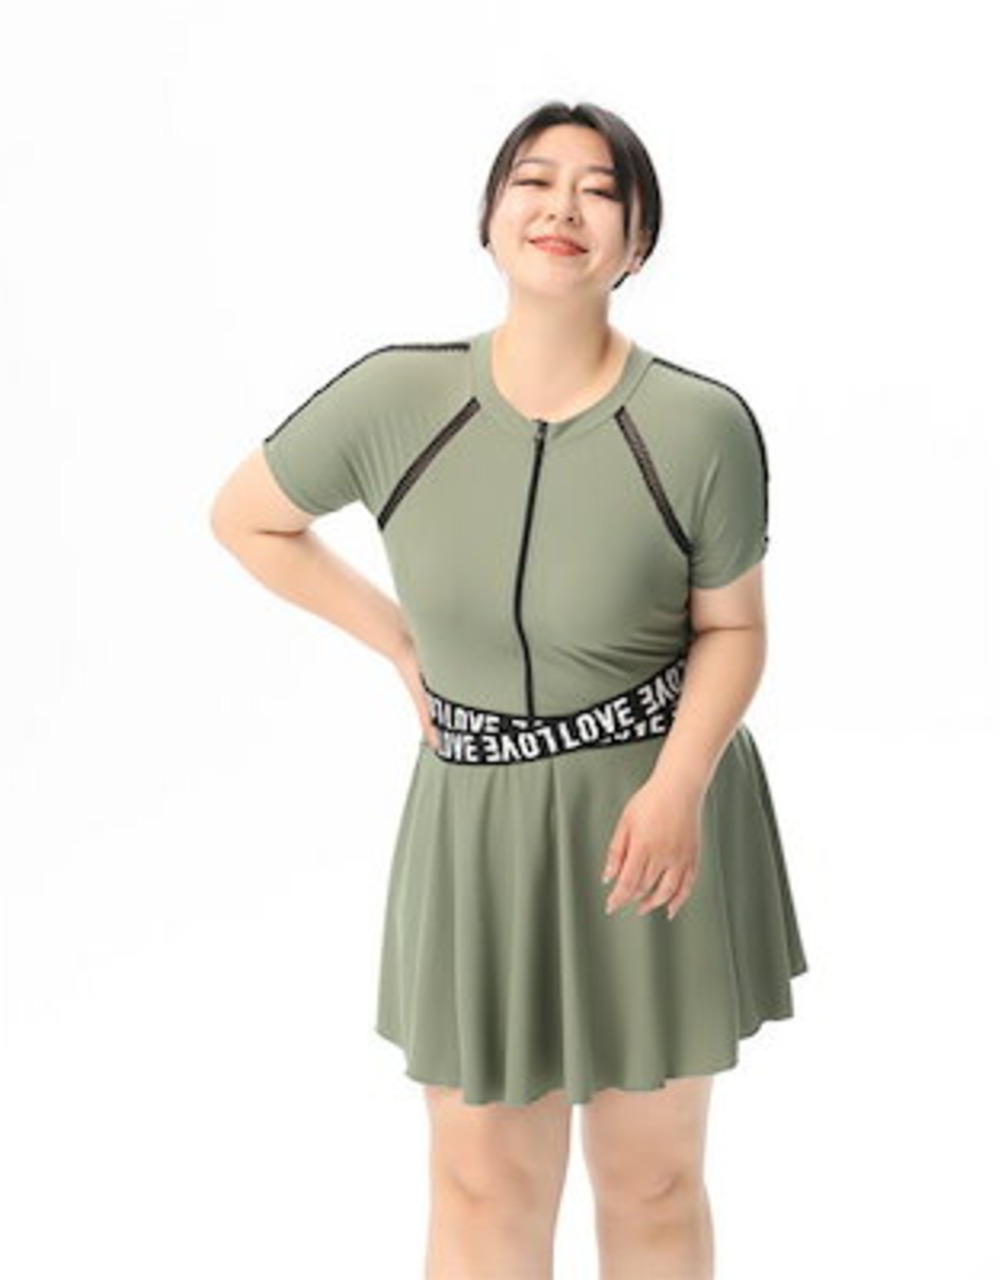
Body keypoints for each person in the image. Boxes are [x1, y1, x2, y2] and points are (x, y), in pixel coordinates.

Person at [209, 99, 807, 1280]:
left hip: (650, 813)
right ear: (488, 218)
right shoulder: (394, 397)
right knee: (481, 1172)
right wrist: (397, 642)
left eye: (598, 190)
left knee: (650, 1173)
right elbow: (247, 518)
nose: (560, 207)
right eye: (533, 181)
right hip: (474, 819)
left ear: (636, 243)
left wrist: (678, 784)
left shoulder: (699, 424)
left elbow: (732, 628)